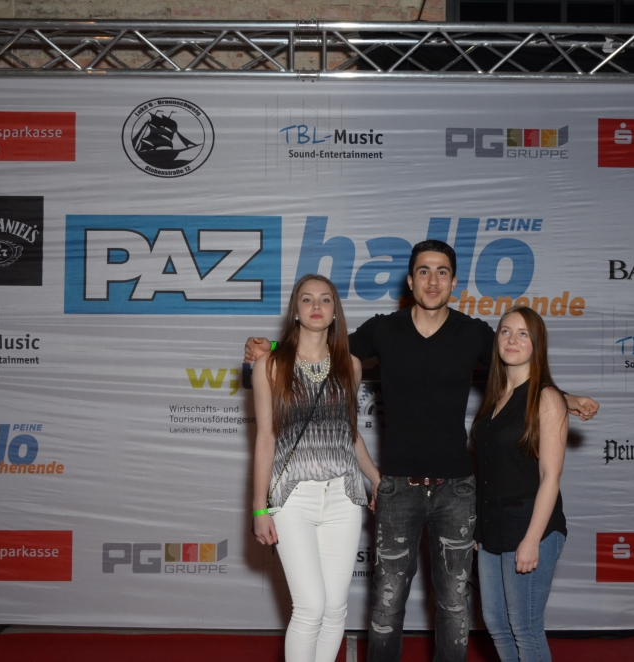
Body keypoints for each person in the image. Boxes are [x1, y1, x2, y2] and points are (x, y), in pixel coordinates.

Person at [246, 240, 597, 662]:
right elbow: (323, 351)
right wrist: (272, 352)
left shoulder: (473, 333)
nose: (433, 280)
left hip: (457, 491)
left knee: (455, 606)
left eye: (442, 271)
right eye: (424, 271)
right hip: (397, 488)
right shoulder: (383, 329)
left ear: (453, 282)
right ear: (410, 281)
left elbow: (521, 367)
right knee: (386, 606)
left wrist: (564, 398)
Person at [251, 274, 382, 662]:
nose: (316, 306)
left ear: (335, 311)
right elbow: (265, 439)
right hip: (293, 498)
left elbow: (350, 435)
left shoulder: (350, 366)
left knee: (335, 609)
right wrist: (259, 509)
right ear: (296, 310)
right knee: (309, 607)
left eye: (325, 300)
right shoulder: (270, 366)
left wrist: (376, 480)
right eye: (307, 299)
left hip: (344, 496)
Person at [471, 307, 568, 662]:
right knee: (497, 624)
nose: (512, 340)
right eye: (505, 331)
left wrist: (532, 539)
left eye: (523, 333)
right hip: (492, 528)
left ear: (536, 343)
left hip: (530, 528)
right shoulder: (496, 396)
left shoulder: (547, 398)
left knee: (525, 627)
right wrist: (480, 529)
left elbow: (550, 476)